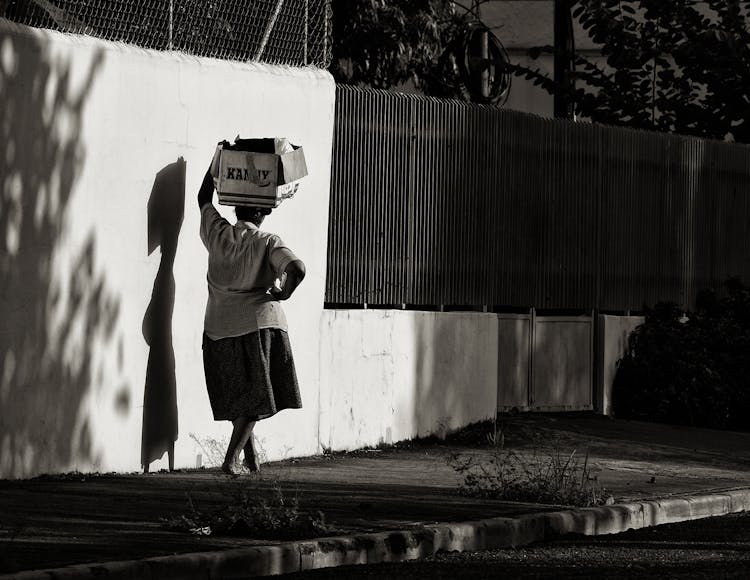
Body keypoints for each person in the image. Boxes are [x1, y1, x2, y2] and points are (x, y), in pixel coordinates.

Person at [197, 164, 305, 475]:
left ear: (235, 207)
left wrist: (217, 163)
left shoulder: (216, 233)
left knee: (238, 395)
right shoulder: (268, 242)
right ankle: (231, 460)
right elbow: (296, 269)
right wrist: (282, 294)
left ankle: (250, 459)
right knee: (257, 398)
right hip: (259, 326)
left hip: (218, 327)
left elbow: (203, 197)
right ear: (264, 212)